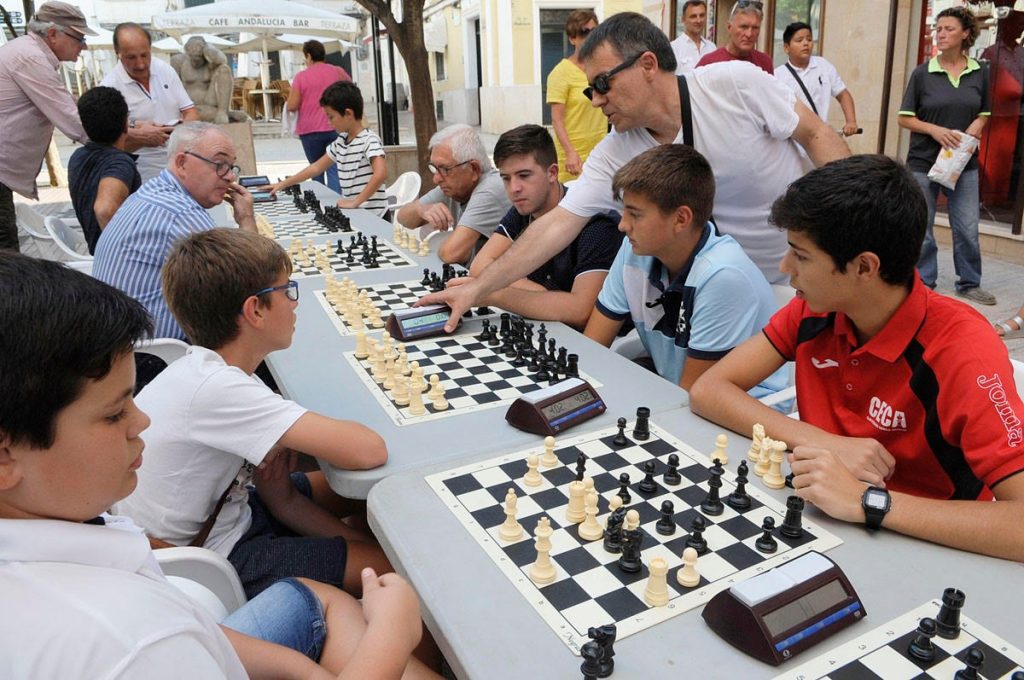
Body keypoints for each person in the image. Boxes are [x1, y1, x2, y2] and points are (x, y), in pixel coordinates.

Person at [0, 253, 434, 679]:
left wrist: (307, 669)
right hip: (222, 552)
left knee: (347, 504)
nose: (142, 421)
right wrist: (390, 639)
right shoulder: (135, 645)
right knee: (403, 566)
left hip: (225, 527)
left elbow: (212, 637)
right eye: (115, 413)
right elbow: (368, 450)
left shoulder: (80, 536)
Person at [689, 154, 1024, 562]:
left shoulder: (962, 350)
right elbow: (708, 389)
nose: (785, 268)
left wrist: (868, 502)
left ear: (865, 267)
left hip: (925, 552)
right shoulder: (814, 309)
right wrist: (828, 444)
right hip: (816, 521)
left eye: (802, 255)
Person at [420, 12, 847, 330]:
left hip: (800, 278)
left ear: (646, 65)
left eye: (602, 83)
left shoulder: (733, 83)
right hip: (711, 292)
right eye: (589, 89)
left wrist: (856, 222)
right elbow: (557, 226)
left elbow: (815, 134)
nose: (595, 99)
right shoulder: (614, 151)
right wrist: (478, 290)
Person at [115, 228, 394, 601]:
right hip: (213, 559)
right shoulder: (219, 389)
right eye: (286, 291)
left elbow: (282, 500)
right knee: (396, 569)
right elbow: (368, 450)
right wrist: (374, 552)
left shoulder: (208, 370)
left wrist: (354, 539)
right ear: (255, 310)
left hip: (237, 514)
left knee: (360, 498)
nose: (295, 303)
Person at [583, 144, 785, 395]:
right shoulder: (634, 250)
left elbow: (690, 397)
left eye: (635, 215)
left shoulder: (723, 275)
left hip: (743, 416)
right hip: (675, 389)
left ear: (681, 219)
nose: (623, 225)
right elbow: (590, 351)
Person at [94, 122, 256, 342]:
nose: (230, 177)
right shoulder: (179, 211)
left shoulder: (155, 191)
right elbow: (250, 281)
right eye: (219, 164)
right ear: (182, 163)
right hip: (151, 358)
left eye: (231, 166)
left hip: (119, 340)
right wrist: (246, 219)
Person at [465, 125, 622, 329]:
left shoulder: (595, 224)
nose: (514, 188)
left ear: (552, 173)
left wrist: (493, 293)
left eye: (524, 175)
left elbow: (581, 311)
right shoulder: (523, 209)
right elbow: (479, 265)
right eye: (506, 178)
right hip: (541, 327)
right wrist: (545, 298)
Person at [897, 6, 995, 306]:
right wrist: (935, 131)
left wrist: (979, 123)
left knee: (967, 227)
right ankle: (924, 281)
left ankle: (969, 283)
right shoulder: (923, 73)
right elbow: (904, 117)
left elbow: (985, 110)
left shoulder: (980, 71)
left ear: (966, 34)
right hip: (923, 162)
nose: (940, 34)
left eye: (948, 29)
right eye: (938, 29)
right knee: (922, 226)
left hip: (963, 165)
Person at [0, 1, 92, 252]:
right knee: (6, 257)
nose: (83, 46)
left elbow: (68, 103)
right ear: (52, 34)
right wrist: (119, 139)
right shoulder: (29, 57)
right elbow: (73, 121)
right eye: (79, 38)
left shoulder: (31, 53)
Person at [397, 124, 511, 265]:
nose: (436, 178)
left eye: (445, 169)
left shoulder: (490, 190)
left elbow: (450, 254)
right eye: (434, 168)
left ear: (473, 169)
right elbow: (403, 218)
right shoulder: (453, 186)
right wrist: (421, 210)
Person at [102, 22, 200, 182]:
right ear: (117, 53)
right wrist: (141, 136)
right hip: (141, 174)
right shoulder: (109, 87)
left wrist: (179, 133)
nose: (140, 64)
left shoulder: (164, 69)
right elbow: (109, 144)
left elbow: (191, 111)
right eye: (131, 57)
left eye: (145, 55)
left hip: (181, 166)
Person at [269, 81, 387, 212]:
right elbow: (316, 168)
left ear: (348, 114)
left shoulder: (369, 140)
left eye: (331, 117)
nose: (329, 123)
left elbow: (380, 173)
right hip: (358, 211)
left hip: (375, 214)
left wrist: (356, 202)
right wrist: (282, 185)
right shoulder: (341, 141)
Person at [68, 86, 142, 254]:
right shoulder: (119, 163)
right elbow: (104, 210)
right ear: (125, 124)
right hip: (115, 263)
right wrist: (129, 253)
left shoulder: (78, 156)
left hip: (96, 252)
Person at [546, 9, 607, 182]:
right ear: (572, 38)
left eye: (594, 32)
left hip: (601, 151)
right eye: (584, 32)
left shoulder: (601, 68)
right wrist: (570, 153)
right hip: (574, 157)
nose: (590, 37)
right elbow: (557, 120)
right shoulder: (560, 73)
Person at [289, 39, 352, 193]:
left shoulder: (301, 77)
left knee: (316, 170)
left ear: (309, 56)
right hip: (336, 127)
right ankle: (335, 206)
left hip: (309, 131)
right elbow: (351, 92)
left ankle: (320, 205)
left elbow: (292, 106)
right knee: (334, 169)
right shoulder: (337, 71)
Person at [775, 22, 859, 135]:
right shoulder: (778, 75)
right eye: (799, 40)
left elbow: (843, 94)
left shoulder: (824, 66)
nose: (806, 43)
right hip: (792, 141)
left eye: (809, 39)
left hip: (820, 139)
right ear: (786, 48)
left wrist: (851, 122)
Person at [170, 36, 245, 124]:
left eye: (199, 56)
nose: (196, 59)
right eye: (193, 56)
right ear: (187, 52)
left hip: (209, 103)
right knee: (241, 117)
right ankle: (227, 115)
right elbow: (172, 88)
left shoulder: (211, 62)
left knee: (224, 69)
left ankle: (223, 112)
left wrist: (208, 48)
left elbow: (222, 60)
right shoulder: (178, 61)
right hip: (189, 107)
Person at [695, 0, 773, 74]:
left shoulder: (764, 63)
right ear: (729, 27)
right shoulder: (709, 63)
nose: (749, 34)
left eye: (755, 28)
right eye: (744, 27)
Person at [670, 0, 715, 76]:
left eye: (702, 15)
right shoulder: (673, 48)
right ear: (683, 19)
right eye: (693, 16)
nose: (698, 20)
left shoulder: (712, 48)